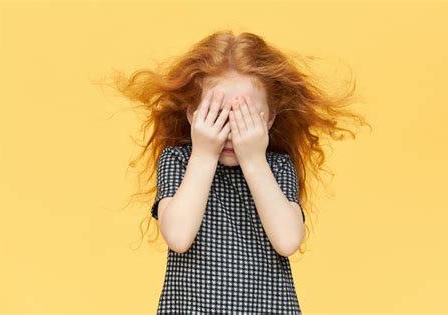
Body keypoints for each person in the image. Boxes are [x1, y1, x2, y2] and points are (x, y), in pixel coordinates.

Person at [112, 30, 370, 314]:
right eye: (217, 116)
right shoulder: (179, 161)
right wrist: (204, 154)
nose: (231, 132)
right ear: (192, 116)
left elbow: (287, 241)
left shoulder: (276, 167)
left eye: (245, 119)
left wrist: (254, 159)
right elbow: (178, 236)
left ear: (269, 118)